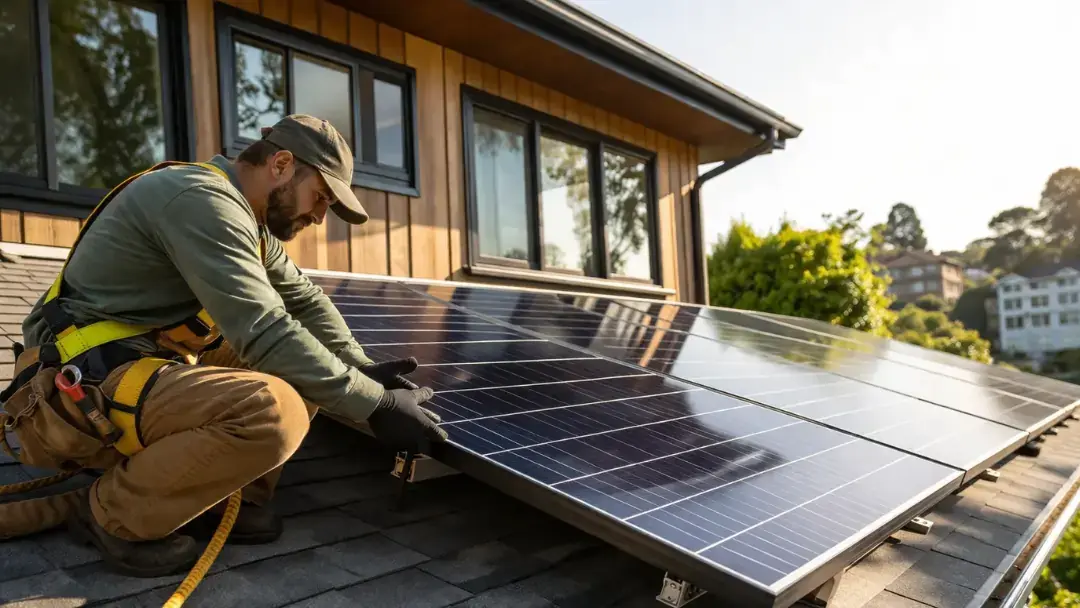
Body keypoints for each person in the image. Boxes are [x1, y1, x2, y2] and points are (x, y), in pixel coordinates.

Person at [0, 114, 447, 578]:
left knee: (308, 362)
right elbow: (265, 330)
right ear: (282, 164)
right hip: (74, 386)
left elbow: (306, 304)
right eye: (321, 197)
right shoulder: (200, 201)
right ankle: (115, 515)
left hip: (133, 362)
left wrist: (362, 368)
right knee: (274, 408)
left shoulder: (248, 221)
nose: (319, 216)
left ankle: (222, 495)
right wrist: (373, 404)